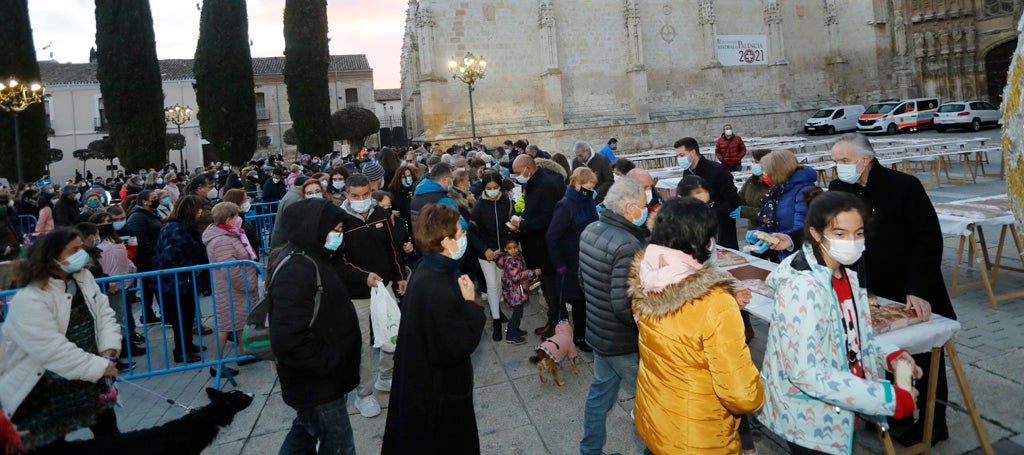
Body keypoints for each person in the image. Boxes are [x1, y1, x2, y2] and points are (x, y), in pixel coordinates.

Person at [757, 190, 922, 455]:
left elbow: (850, 339)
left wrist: (887, 355)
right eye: (840, 234)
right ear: (816, 233)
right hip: (809, 419)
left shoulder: (846, 276)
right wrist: (885, 398)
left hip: (841, 408)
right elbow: (805, 372)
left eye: (858, 233)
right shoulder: (803, 288)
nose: (853, 242)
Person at [827, 133, 950, 446]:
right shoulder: (839, 188)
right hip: (869, 284)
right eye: (835, 161)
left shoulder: (904, 186)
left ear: (865, 160)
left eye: (844, 161)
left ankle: (933, 424)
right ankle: (899, 411)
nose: (838, 167)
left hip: (910, 283)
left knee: (920, 355)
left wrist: (919, 288)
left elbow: (928, 239)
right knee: (884, 354)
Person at [630, 197, 765, 454]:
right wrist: (761, 389)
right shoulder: (714, 303)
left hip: (657, 417)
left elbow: (679, 337)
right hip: (700, 436)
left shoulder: (646, 278)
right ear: (705, 242)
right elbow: (741, 394)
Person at [0, 228, 122, 450]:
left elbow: (103, 314)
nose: (81, 253)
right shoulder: (30, 297)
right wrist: (98, 366)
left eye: (81, 248)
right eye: (73, 250)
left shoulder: (84, 278)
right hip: (44, 386)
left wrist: (109, 347)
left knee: (109, 437)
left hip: (88, 379)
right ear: (51, 257)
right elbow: (49, 348)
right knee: (51, 445)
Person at [381, 203, 487, 454]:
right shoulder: (438, 284)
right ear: (445, 241)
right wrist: (471, 304)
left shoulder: (428, 266)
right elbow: (456, 345)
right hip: (439, 390)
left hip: (423, 379)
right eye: (459, 235)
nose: (463, 239)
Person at [271, 198, 361, 455]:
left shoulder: (314, 257)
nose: (339, 236)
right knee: (339, 445)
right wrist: (329, 363)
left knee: (305, 433)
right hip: (318, 383)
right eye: (335, 230)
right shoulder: (297, 269)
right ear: (313, 228)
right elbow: (288, 337)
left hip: (322, 381)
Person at [577, 178, 649, 455]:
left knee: (600, 396)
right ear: (630, 208)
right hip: (622, 342)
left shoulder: (590, 229)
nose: (645, 210)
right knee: (651, 401)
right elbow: (625, 306)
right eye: (642, 206)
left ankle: (590, 450)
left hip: (599, 333)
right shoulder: (628, 245)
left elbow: (583, 281)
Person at [335, 173, 408, 418]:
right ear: (346, 195)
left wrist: (399, 276)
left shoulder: (381, 214)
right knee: (362, 345)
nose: (362, 199)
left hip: (384, 287)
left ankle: (386, 377)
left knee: (392, 334)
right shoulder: (339, 220)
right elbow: (337, 261)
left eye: (366, 194)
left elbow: (393, 248)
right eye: (355, 196)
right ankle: (363, 394)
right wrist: (363, 276)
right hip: (357, 294)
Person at [509, 155, 568, 338]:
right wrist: (523, 217)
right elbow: (535, 209)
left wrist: (524, 225)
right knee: (548, 288)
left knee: (553, 289)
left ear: (529, 168)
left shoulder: (546, 184)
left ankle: (558, 324)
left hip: (546, 247)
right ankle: (553, 321)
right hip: (538, 245)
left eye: (518, 172)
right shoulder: (535, 182)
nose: (517, 176)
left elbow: (549, 217)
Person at [202, 202, 260, 377]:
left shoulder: (229, 234)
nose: (239, 219)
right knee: (226, 326)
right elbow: (230, 269)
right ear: (228, 219)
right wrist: (248, 283)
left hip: (235, 287)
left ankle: (243, 353)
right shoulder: (222, 240)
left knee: (241, 321)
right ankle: (216, 364)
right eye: (236, 216)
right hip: (232, 288)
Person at [546, 167, 599, 351]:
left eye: (593, 186)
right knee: (579, 302)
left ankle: (587, 334)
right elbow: (552, 237)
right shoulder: (566, 205)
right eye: (588, 186)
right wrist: (559, 264)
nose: (591, 190)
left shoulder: (588, 200)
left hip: (589, 258)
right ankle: (580, 338)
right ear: (577, 184)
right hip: (572, 262)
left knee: (589, 300)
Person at [154, 195, 209, 363]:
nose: (200, 212)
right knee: (180, 317)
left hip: (185, 280)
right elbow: (173, 254)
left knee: (187, 314)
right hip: (175, 281)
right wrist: (191, 267)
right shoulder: (174, 229)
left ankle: (188, 344)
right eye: (198, 209)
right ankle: (181, 351)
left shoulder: (184, 227)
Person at [91, 211, 145, 365]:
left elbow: (124, 259)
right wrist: (107, 282)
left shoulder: (115, 240)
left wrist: (131, 271)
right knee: (112, 320)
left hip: (122, 283)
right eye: (102, 222)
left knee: (121, 317)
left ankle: (124, 346)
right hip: (107, 286)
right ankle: (116, 354)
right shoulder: (96, 244)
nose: (106, 224)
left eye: (109, 221)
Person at [748, 149, 818, 260]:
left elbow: (803, 228)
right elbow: (773, 219)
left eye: (767, 171)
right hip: (782, 252)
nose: (764, 174)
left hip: (799, 255)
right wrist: (762, 233)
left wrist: (783, 238)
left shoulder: (803, 191)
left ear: (778, 171)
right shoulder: (779, 189)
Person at [468, 171, 513, 341]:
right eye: (489, 188)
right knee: (492, 284)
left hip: (503, 252)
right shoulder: (479, 205)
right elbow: (471, 233)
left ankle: (497, 311)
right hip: (486, 253)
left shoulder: (507, 202)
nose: (493, 191)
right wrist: (485, 250)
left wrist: (509, 245)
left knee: (500, 283)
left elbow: (510, 224)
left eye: (495, 188)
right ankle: (495, 321)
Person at [674, 137, 741, 249]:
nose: (679, 159)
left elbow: (733, 200)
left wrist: (710, 213)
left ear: (693, 152)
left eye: (681, 155)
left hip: (721, 226)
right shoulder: (687, 172)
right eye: (677, 156)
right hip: (697, 227)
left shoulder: (717, 170)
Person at [124, 190, 164, 325]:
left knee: (148, 287)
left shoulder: (151, 213)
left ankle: (148, 315)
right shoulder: (137, 217)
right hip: (146, 258)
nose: (157, 199)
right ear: (144, 202)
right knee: (154, 286)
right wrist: (153, 252)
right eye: (154, 198)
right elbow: (138, 239)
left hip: (153, 256)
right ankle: (163, 314)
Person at [493, 236, 539, 345]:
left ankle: (516, 330)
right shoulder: (510, 261)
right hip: (514, 293)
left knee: (519, 311)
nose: (513, 250)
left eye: (515, 247)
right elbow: (516, 277)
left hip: (518, 291)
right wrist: (532, 273)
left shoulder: (517, 256)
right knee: (517, 313)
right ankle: (511, 334)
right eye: (510, 248)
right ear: (505, 249)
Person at [736, 148, 772, 231]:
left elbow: (769, 213)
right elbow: (741, 197)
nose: (753, 165)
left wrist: (743, 211)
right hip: (753, 228)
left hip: (769, 230)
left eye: (757, 162)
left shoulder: (774, 184)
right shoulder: (751, 181)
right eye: (752, 162)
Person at [0, 194, 19, 261]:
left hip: (12, 254)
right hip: (3, 256)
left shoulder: (6, 217)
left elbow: (13, 231)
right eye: (1, 205)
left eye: (5, 205)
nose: (3, 207)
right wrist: (4, 250)